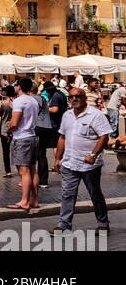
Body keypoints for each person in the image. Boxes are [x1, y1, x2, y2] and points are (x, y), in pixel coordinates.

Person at [53, 85, 111, 233]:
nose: (74, 99)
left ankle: (103, 223)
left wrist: (93, 155)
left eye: (77, 96)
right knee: (67, 194)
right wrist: (57, 159)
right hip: (69, 162)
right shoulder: (67, 115)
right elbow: (62, 137)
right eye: (71, 97)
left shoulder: (96, 114)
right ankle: (64, 225)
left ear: (84, 98)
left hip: (89, 165)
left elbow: (104, 136)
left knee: (95, 194)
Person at [8, 75, 40, 211]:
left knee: (24, 171)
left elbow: (15, 123)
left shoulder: (19, 101)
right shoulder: (34, 101)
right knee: (33, 169)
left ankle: (24, 201)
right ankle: (35, 200)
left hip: (22, 138)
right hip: (33, 136)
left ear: (19, 87)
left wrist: (9, 130)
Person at [0, 86, 15, 176]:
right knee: (15, 150)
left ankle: (8, 171)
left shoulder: (4, 104)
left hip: (4, 128)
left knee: (6, 151)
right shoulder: (16, 102)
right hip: (14, 128)